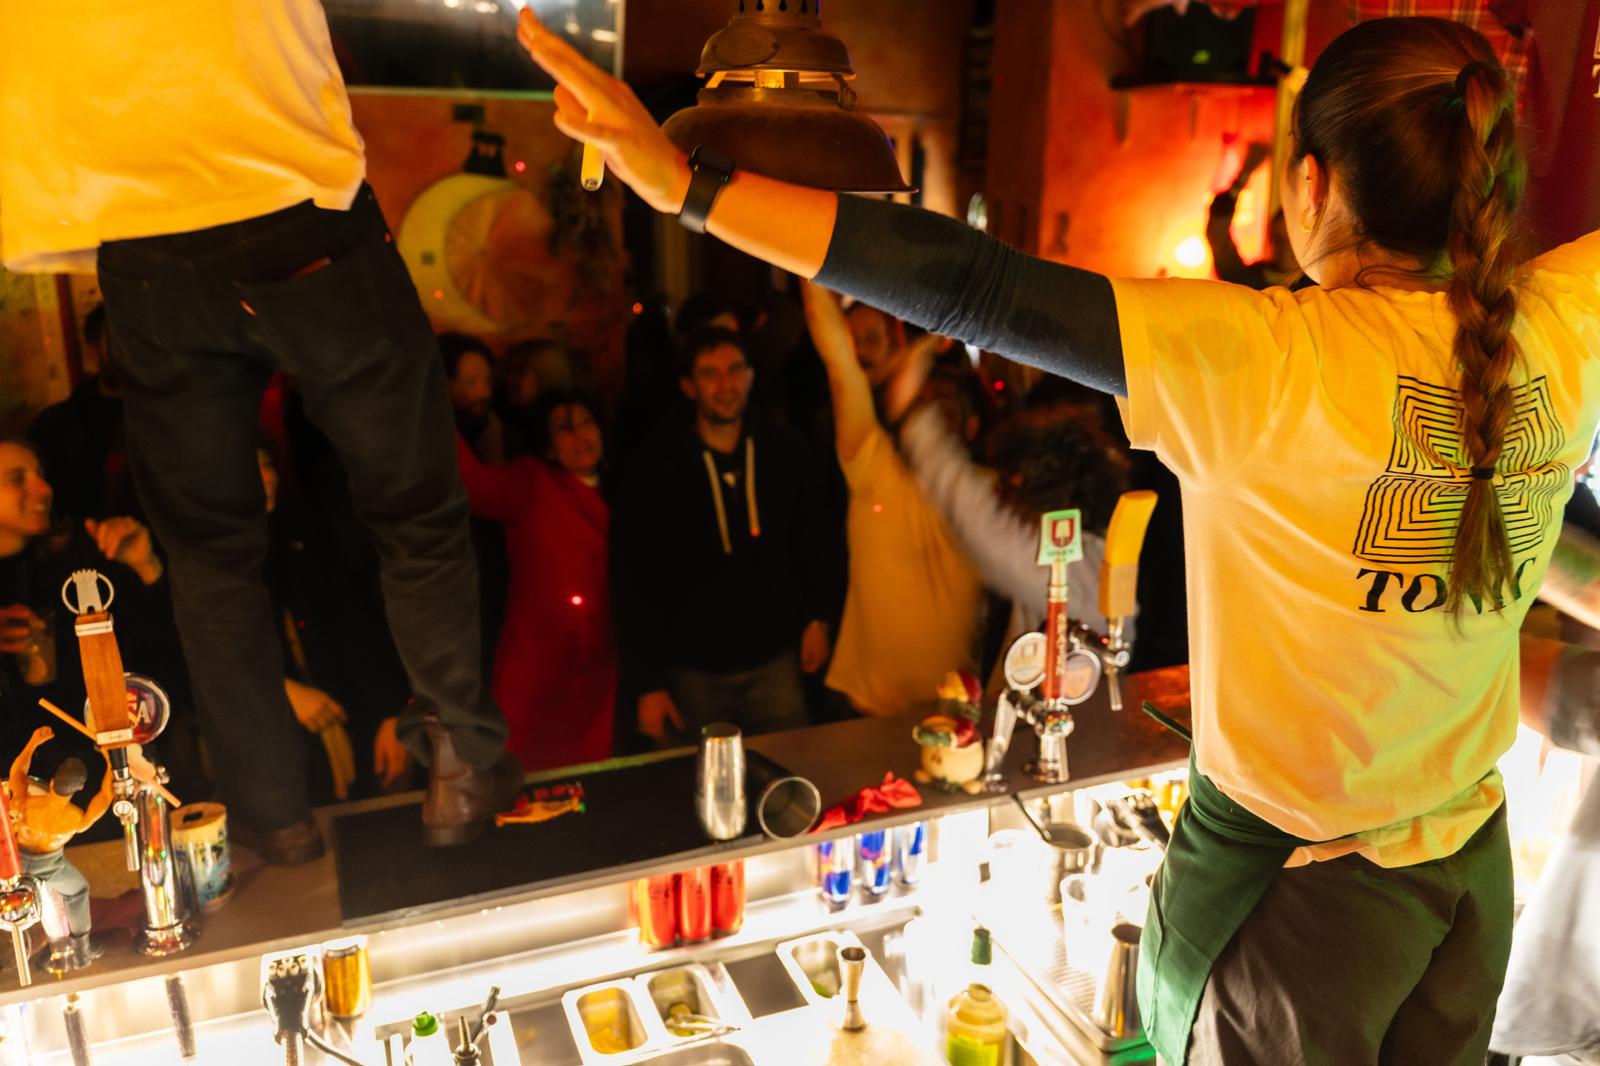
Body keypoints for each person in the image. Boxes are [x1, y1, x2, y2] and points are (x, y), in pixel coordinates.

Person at [520, 12, 1600, 1062]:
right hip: (1468, 881)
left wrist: (687, 186)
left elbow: (973, 284)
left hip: (1300, 903)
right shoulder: (1563, 318)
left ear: (1310, 183)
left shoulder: (1268, 359)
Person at [0, 2, 518, 861]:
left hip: (140, 233)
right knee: (413, 507)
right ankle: (460, 766)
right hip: (288, 195)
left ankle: (273, 817)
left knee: (209, 560)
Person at [611, 328, 842, 744]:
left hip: (776, 660)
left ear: (751, 376)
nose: (726, 384)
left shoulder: (785, 452)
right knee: (704, 778)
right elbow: (633, 579)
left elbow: (815, 541)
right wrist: (647, 683)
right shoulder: (656, 468)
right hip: (694, 670)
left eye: (735, 370)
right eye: (710, 374)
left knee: (789, 768)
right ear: (689, 385)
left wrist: (818, 618)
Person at [802, 287, 985, 716]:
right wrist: (813, 259)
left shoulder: (991, 498)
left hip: (956, 712)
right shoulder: (876, 469)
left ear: (971, 428)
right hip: (866, 709)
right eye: (924, 412)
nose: (931, 428)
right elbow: (837, 357)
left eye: (945, 414)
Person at [457, 394, 614, 770]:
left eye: (586, 422)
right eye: (564, 429)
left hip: (598, 672)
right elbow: (473, 484)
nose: (579, 436)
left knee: (589, 779)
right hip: (535, 671)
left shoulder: (627, 486)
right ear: (549, 445)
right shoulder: (532, 482)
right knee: (524, 778)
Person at [27, 304, 141, 522]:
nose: (130, 351)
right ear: (92, 351)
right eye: (117, 340)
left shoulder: (171, 417)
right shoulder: (54, 426)